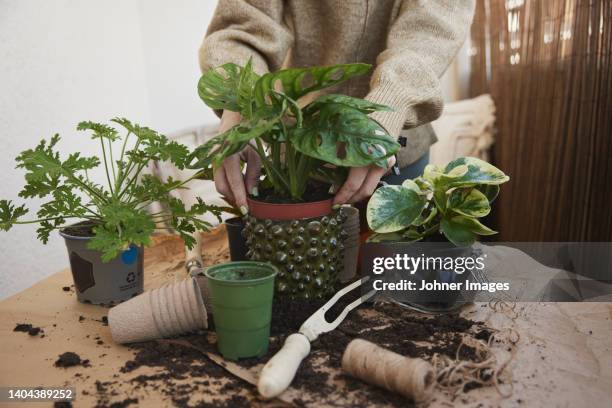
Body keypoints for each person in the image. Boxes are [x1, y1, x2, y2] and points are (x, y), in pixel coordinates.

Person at [199, 0, 475, 213]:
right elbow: (245, 21)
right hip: (299, 151)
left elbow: (432, 29)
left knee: (398, 279)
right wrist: (241, 101)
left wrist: (388, 104)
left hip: (393, 145)